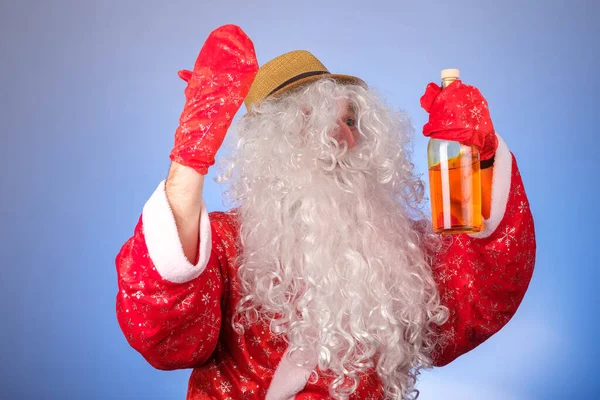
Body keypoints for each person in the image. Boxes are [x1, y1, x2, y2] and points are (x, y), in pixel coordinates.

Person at [115, 25, 536, 400]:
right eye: (310, 123)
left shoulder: (397, 252)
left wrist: (480, 155)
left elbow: (480, 298)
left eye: (350, 121)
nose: (339, 139)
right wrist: (189, 159)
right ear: (268, 147)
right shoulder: (223, 244)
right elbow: (163, 337)